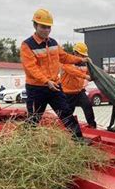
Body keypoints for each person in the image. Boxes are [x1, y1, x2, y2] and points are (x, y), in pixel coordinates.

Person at [20, 8, 89, 141]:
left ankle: (79, 139)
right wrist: (46, 81)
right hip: (37, 89)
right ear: (35, 25)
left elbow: (64, 57)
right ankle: (26, 142)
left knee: (66, 113)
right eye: (43, 27)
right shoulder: (27, 45)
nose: (46, 30)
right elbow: (31, 68)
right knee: (34, 117)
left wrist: (81, 59)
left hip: (54, 86)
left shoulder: (53, 43)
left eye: (49, 27)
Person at [61, 42, 96, 128]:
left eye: (84, 55)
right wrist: (85, 76)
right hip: (68, 92)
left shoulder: (84, 63)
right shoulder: (67, 61)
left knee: (87, 106)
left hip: (79, 91)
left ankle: (92, 125)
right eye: (82, 55)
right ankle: (66, 128)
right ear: (75, 53)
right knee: (68, 112)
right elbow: (73, 72)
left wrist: (92, 65)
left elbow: (90, 72)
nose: (83, 57)